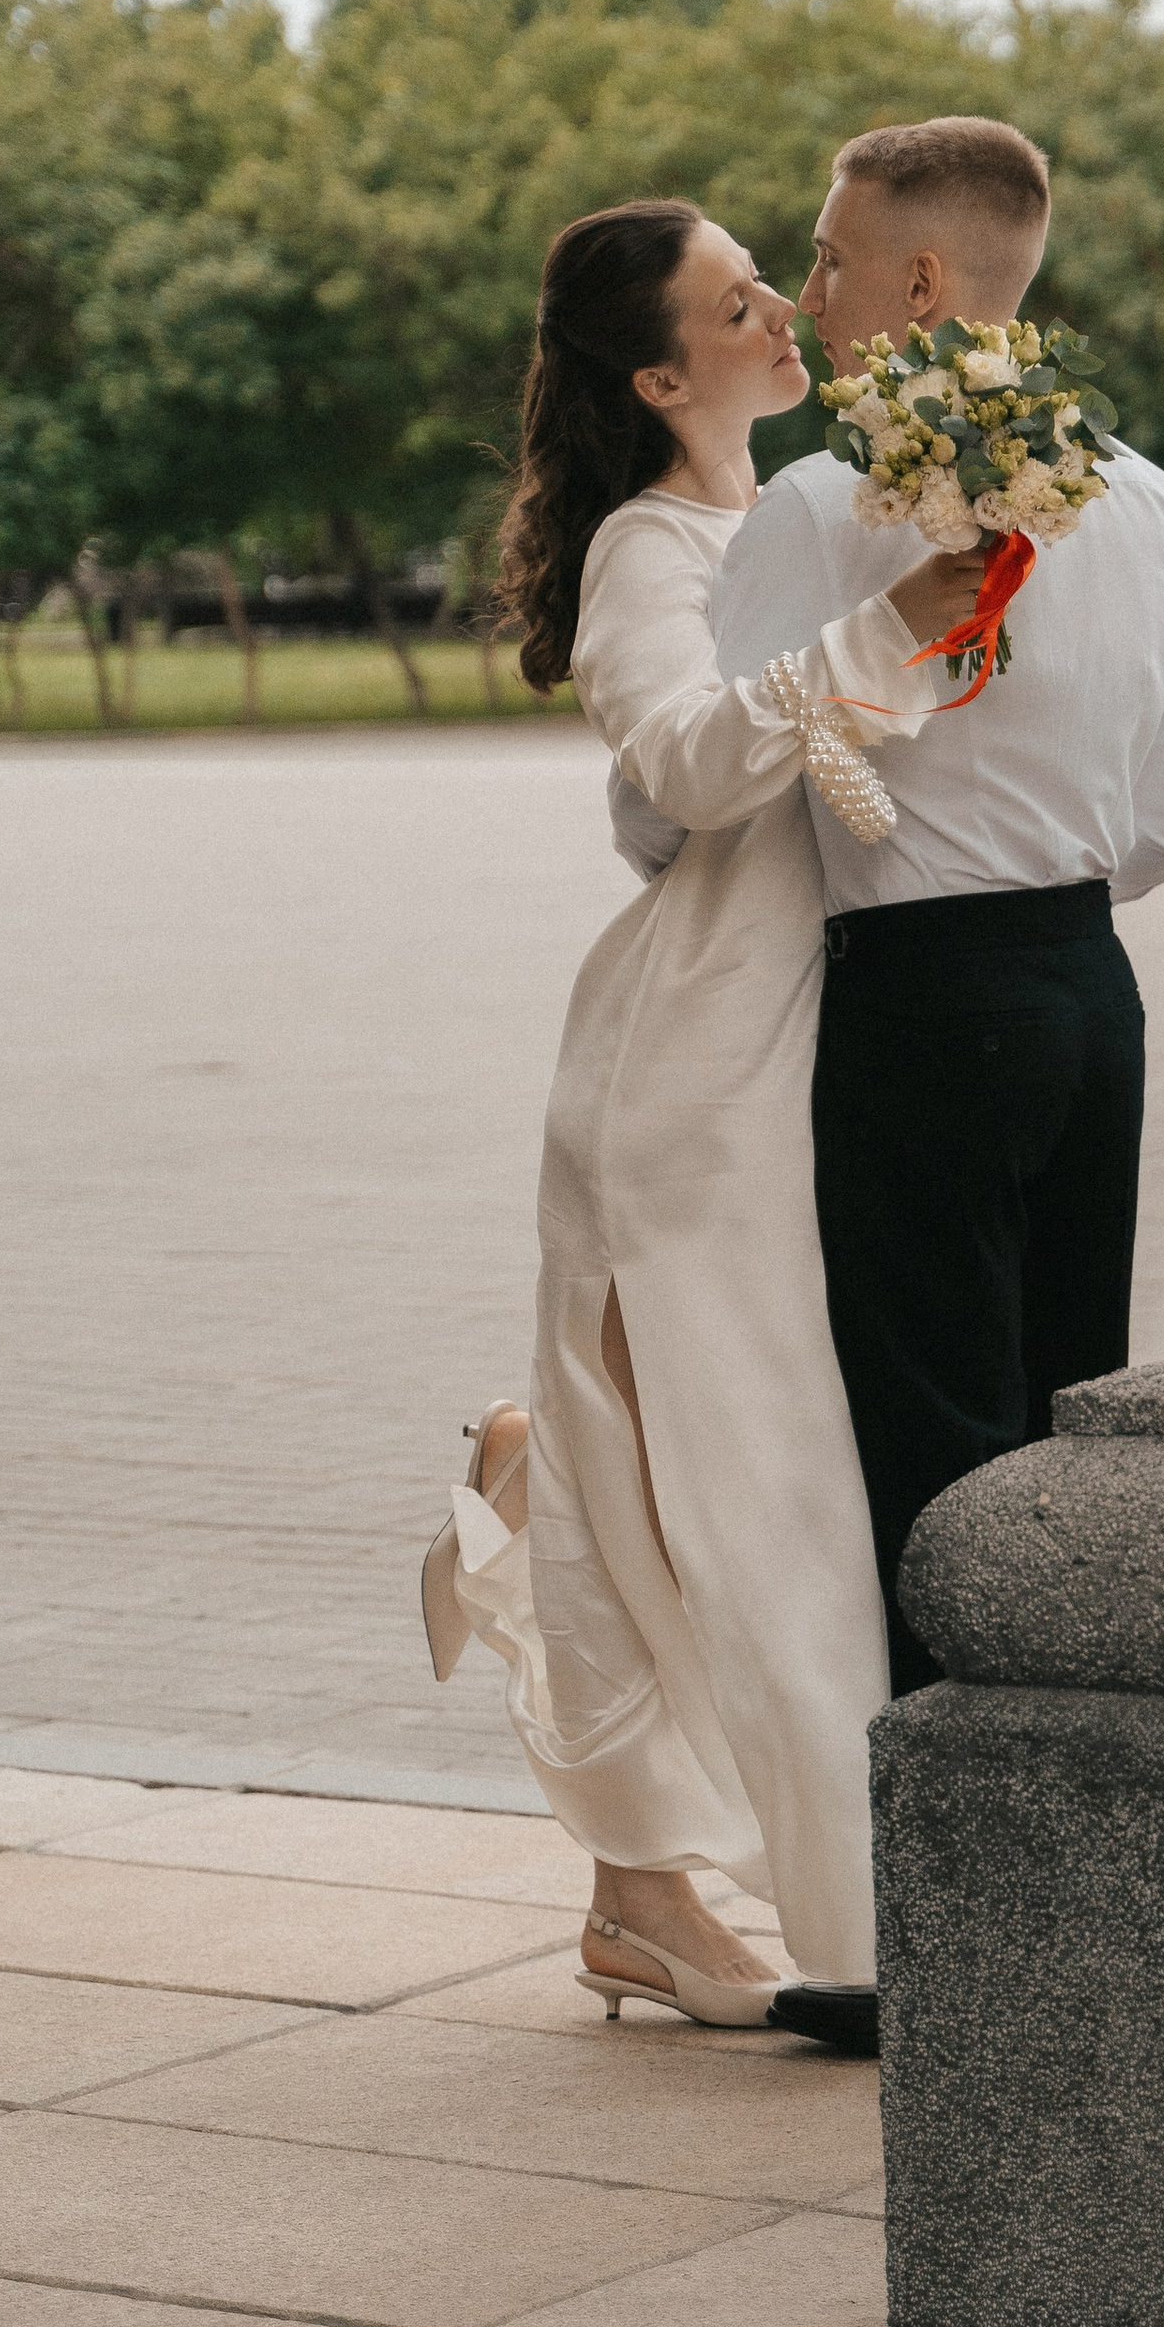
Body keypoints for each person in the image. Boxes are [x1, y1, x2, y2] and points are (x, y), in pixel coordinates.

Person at [419, 196, 990, 2056]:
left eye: (767, 282)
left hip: (825, 1036)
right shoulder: (647, 549)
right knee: (767, 1496)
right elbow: (674, 764)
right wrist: (892, 635)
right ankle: (847, 1933)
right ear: (662, 378)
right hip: (698, 1065)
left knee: (741, 1473)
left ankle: (637, 1869)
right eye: (736, 303)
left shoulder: (814, 516)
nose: (777, 313)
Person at [712, 116, 1164, 1694]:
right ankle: (1056, 1780)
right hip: (1089, 992)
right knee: (1065, 1423)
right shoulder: (1152, 502)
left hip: (918, 996)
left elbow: (699, 797)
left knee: (925, 1446)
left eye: (829, 260)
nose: (808, 299)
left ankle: (934, 1808)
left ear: (922, 283)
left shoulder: (822, 506)